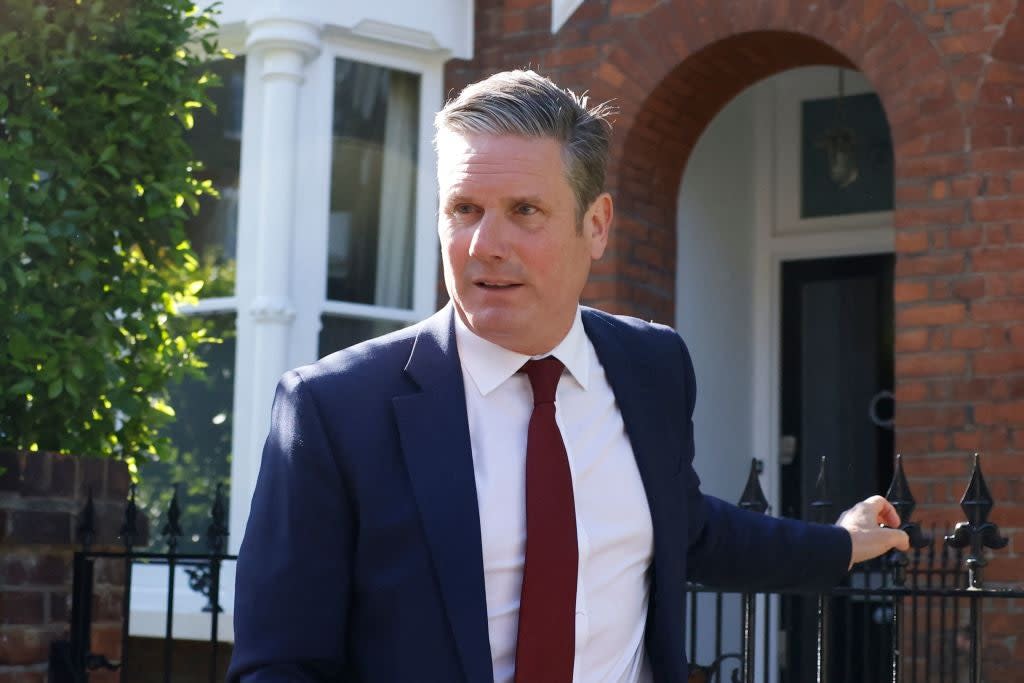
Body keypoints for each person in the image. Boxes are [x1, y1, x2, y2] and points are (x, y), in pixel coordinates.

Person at [227, 70, 909, 683]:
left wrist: (840, 544)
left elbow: (687, 528)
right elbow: (280, 664)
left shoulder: (653, 366)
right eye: (464, 209)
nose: (483, 244)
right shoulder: (336, 407)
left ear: (597, 224)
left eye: (524, 211)